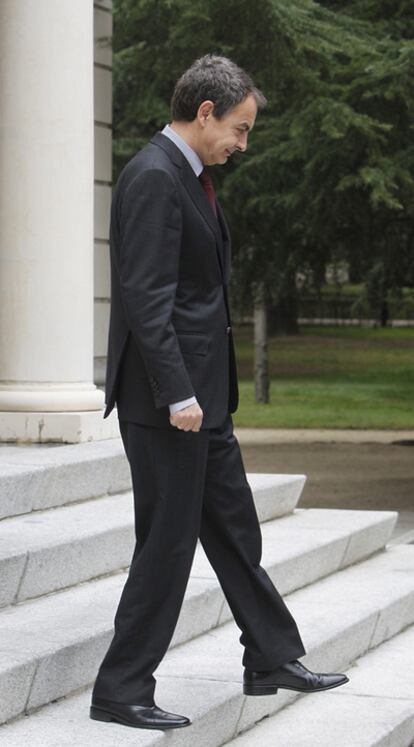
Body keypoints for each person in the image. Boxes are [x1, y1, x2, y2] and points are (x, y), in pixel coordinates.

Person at [90, 54, 348, 731]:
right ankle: (120, 686)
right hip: (168, 403)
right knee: (168, 544)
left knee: (234, 527)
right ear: (204, 113)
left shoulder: (189, 174)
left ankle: (270, 654)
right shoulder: (153, 176)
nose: (242, 143)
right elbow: (147, 297)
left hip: (206, 400)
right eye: (239, 129)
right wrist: (176, 392)